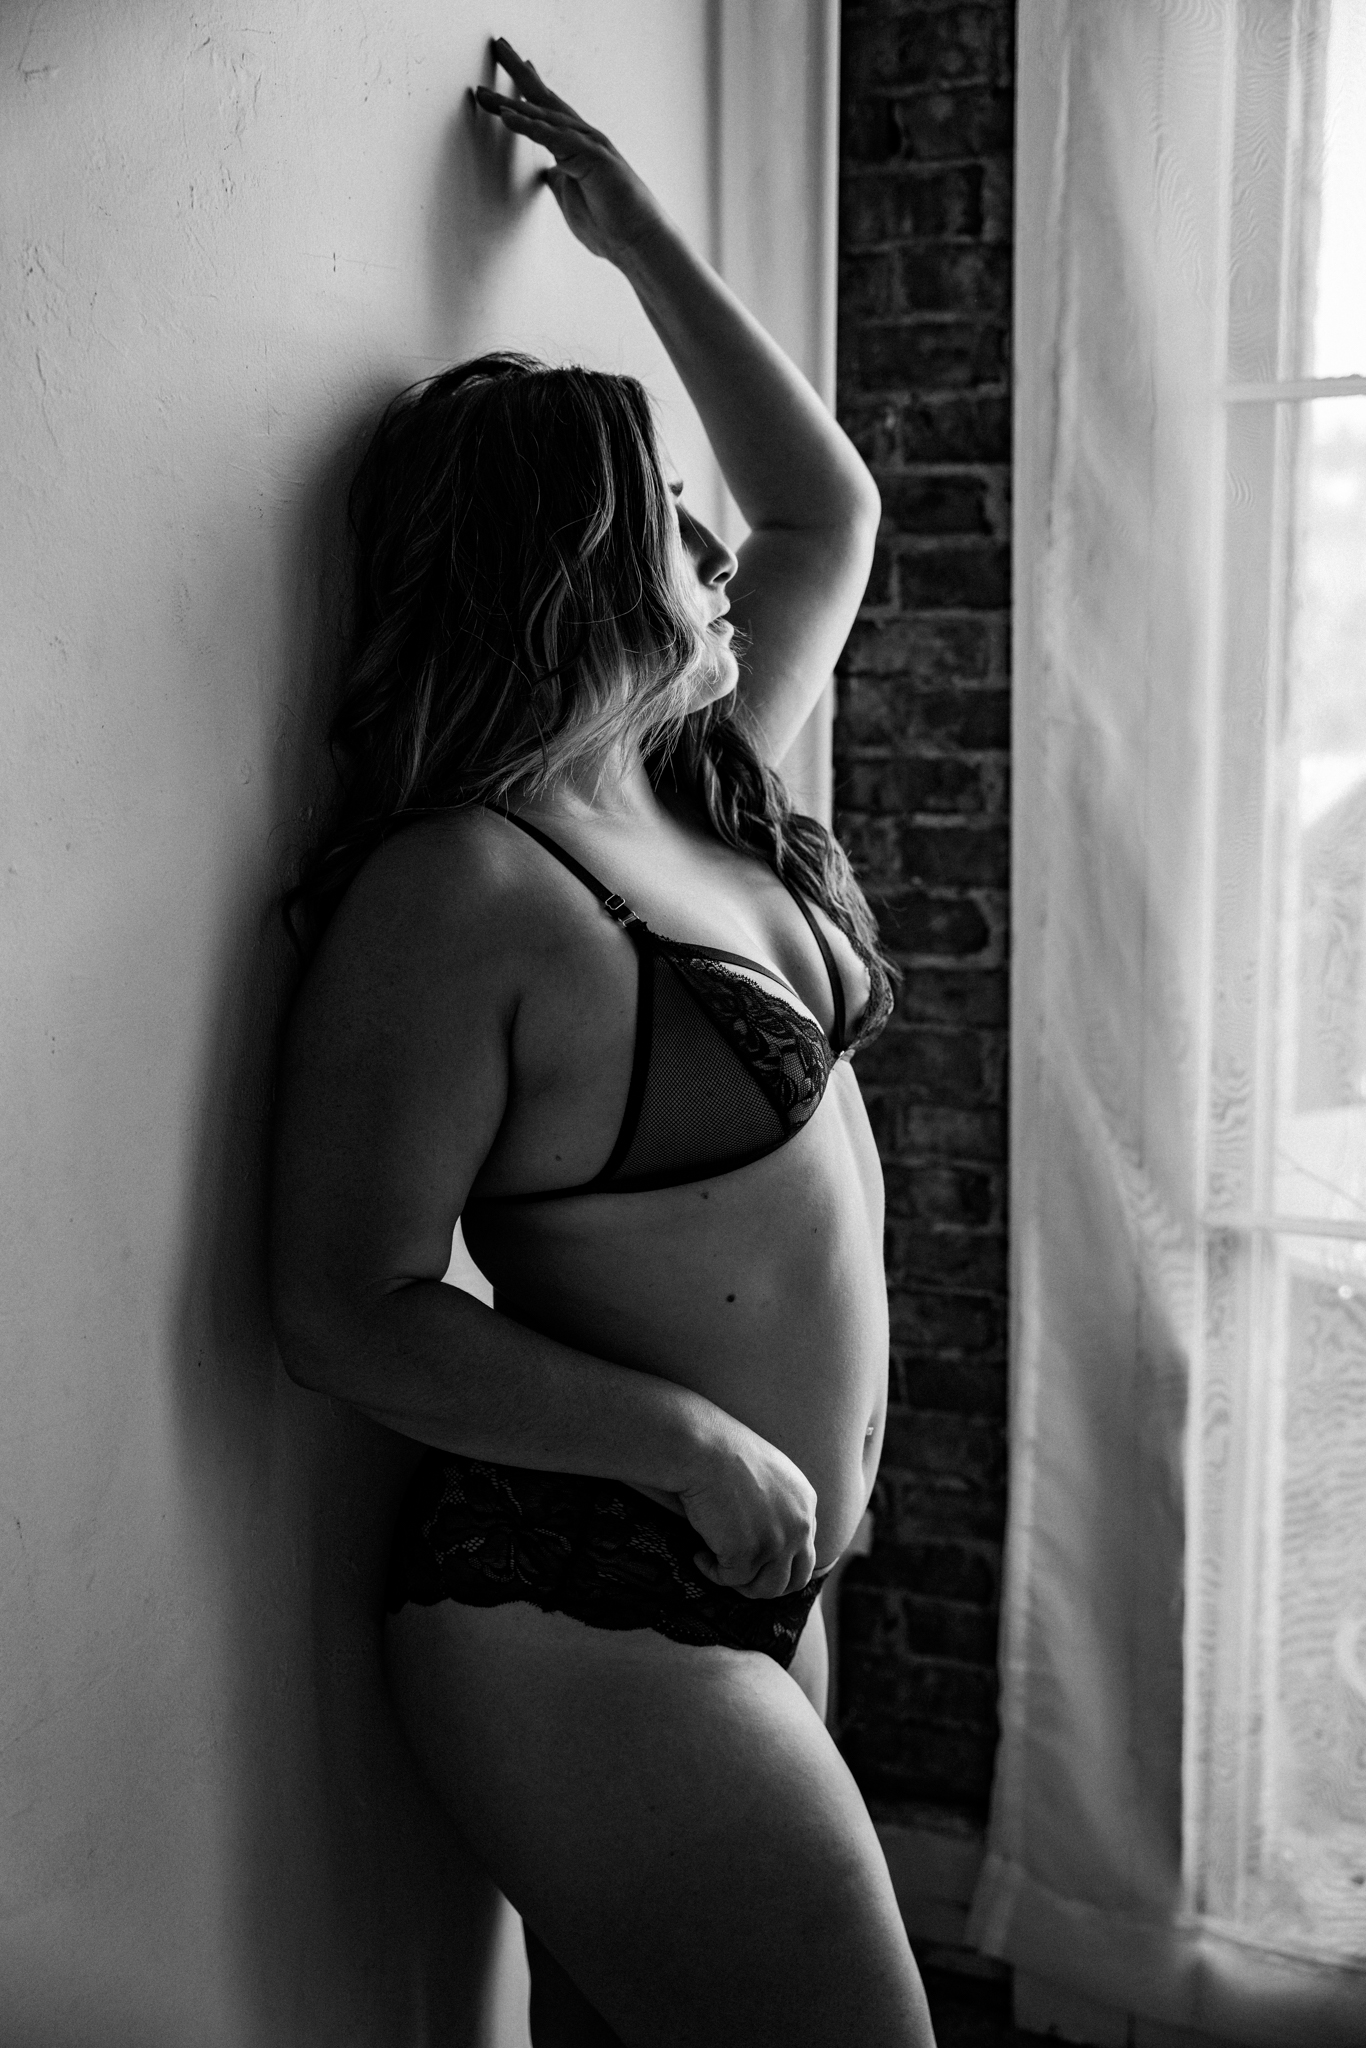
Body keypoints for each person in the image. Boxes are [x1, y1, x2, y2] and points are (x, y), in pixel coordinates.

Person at [268, 37, 936, 2048]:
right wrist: (689, 1443)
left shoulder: (701, 782)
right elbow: (343, 1301)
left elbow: (828, 511)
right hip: (587, 1603)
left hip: (744, 1583)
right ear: (573, 568)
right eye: (672, 522)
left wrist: (636, 240)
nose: (719, 558)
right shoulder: (459, 893)